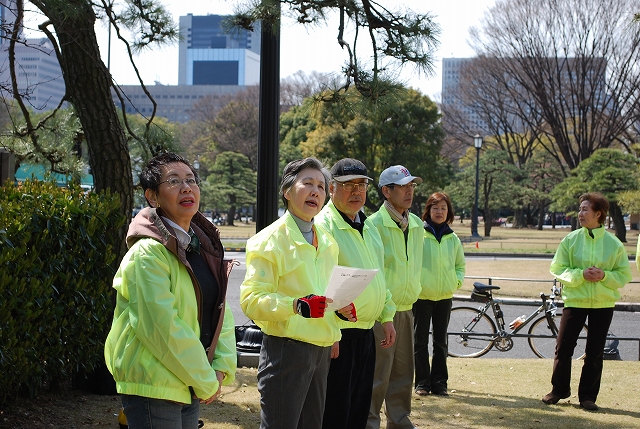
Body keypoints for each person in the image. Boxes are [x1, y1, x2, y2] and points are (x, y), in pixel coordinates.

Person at [104, 152, 237, 429]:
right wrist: (204, 378)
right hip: (154, 385)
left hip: (187, 381)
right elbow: (161, 327)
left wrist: (221, 367)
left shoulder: (198, 247)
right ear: (152, 197)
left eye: (191, 180)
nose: (186, 187)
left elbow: (219, 310)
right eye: (174, 181)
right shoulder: (147, 254)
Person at [240, 157, 356, 429]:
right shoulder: (267, 240)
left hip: (322, 349)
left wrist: (338, 311)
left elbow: (324, 294)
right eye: (307, 183)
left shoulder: (327, 240)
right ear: (287, 191)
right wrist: (296, 306)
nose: (316, 191)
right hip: (285, 350)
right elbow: (251, 300)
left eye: (321, 186)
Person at [315, 158, 397, 429]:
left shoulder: (368, 225)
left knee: (360, 406)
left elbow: (379, 275)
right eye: (347, 185)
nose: (356, 191)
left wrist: (386, 316)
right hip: (338, 334)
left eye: (361, 185)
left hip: (366, 330)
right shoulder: (322, 226)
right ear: (331, 189)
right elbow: (319, 283)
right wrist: (331, 330)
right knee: (337, 409)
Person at [542, 192, 632, 411]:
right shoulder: (570, 240)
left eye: (585, 209)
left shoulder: (614, 243)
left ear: (598, 214)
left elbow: (624, 274)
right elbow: (557, 268)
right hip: (575, 300)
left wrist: (604, 276)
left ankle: (588, 397)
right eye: (580, 209)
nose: (580, 213)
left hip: (603, 303)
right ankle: (559, 390)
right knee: (563, 348)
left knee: (595, 351)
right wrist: (580, 274)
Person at [366, 165, 424, 429]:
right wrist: (383, 310)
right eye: (403, 187)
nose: (409, 191)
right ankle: (369, 421)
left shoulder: (415, 223)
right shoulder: (373, 224)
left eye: (412, 186)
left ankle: (400, 420)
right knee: (379, 372)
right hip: (381, 310)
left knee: (403, 373)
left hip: (407, 307)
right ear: (386, 192)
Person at [413, 192, 465, 397]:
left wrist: (456, 281)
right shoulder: (419, 235)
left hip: (444, 297)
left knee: (441, 341)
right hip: (422, 297)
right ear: (428, 211)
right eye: (436, 208)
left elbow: (460, 265)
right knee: (419, 341)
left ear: (448, 212)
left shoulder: (453, 239)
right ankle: (423, 383)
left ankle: (440, 383)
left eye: (443, 208)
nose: (440, 212)